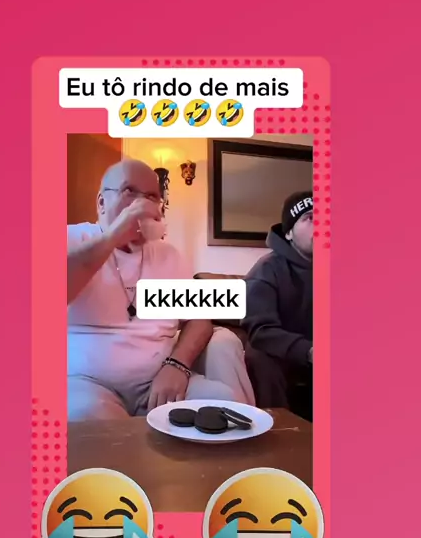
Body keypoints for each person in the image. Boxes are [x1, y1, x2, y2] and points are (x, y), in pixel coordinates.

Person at [68, 159, 254, 420]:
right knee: (92, 419)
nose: (141, 204)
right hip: (85, 382)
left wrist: (177, 365)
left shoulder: (168, 255)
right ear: (101, 202)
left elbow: (199, 320)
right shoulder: (72, 239)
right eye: (129, 191)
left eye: (151, 196)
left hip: (157, 381)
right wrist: (113, 236)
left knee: (225, 405)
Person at [242, 191, 313, 419]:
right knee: (259, 357)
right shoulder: (267, 269)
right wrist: (310, 351)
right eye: (310, 218)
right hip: (286, 357)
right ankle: (280, 430)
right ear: (289, 232)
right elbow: (261, 332)